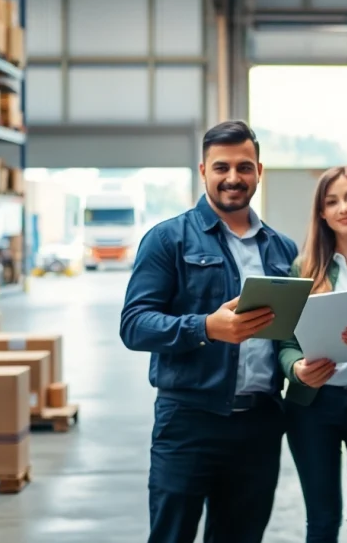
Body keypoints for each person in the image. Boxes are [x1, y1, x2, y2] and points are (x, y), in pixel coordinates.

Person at [119, 120, 297, 543]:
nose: (233, 178)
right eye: (221, 167)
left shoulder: (281, 248)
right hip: (189, 421)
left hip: (259, 423)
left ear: (259, 171)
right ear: (203, 171)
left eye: (244, 166)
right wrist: (206, 328)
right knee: (172, 533)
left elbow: (290, 333)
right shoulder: (168, 240)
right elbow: (134, 324)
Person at [277, 165, 347, 543]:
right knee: (322, 521)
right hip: (313, 407)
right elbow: (284, 344)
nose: (344, 207)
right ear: (321, 213)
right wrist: (296, 368)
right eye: (332, 201)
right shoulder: (303, 269)